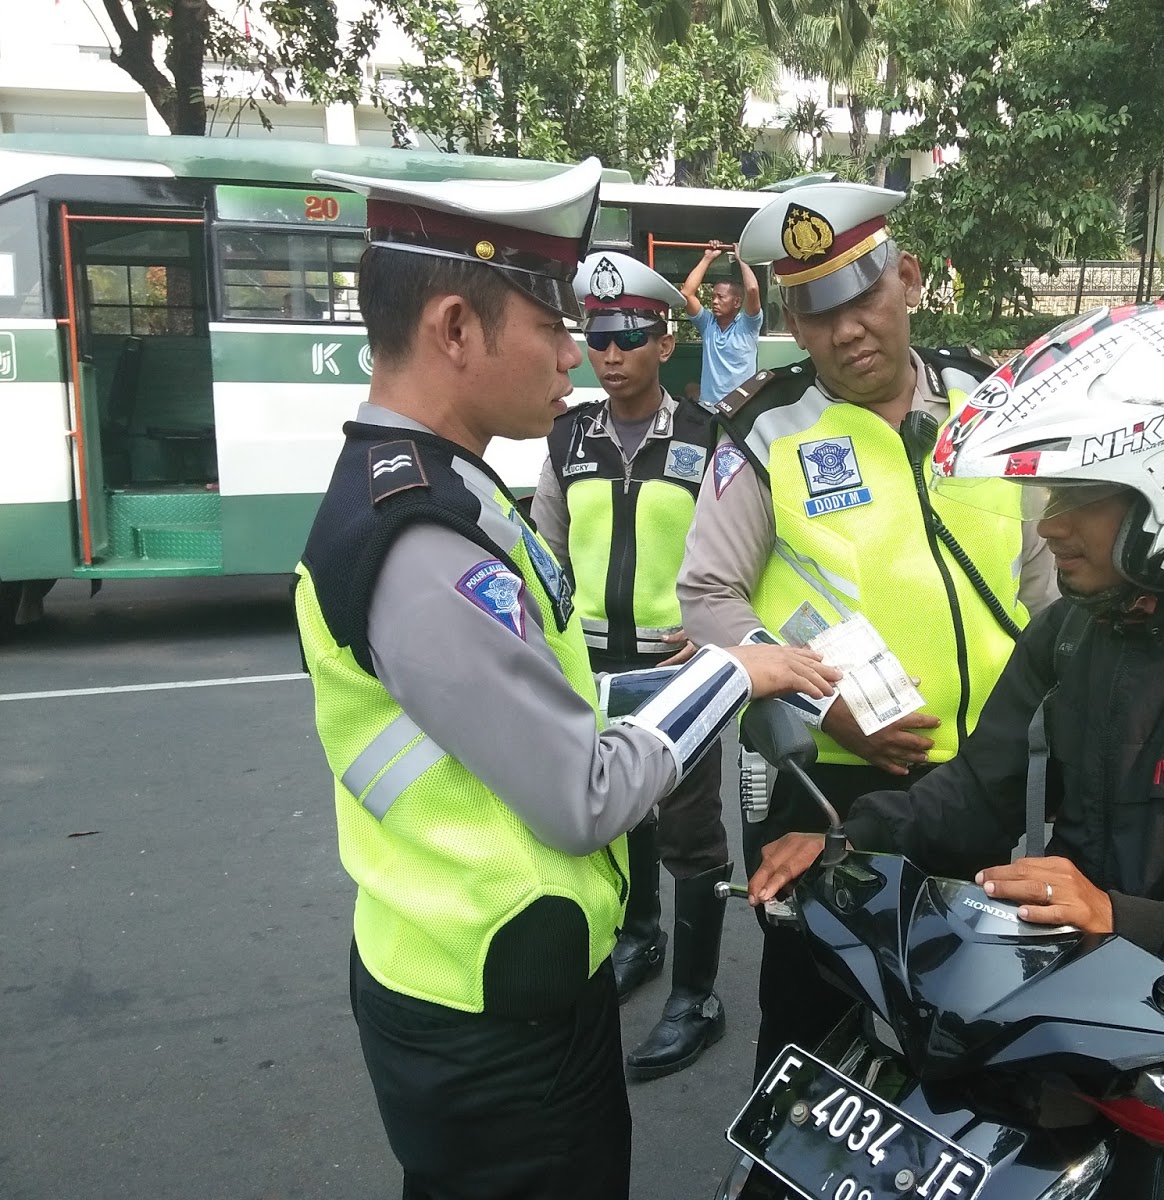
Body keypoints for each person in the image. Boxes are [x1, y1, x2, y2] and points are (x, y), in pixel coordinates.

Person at [748, 303, 1164, 1200]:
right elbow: (975, 793)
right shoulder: (1070, 639)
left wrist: (1126, 919)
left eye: (1079, 498)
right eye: (1049, 497)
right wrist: (845, 841)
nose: (1048, 527)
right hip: (1067, 1038)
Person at [293, 159, 837, 1200]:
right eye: (551, 329)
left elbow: (560, 709)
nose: (574, 355)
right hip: (491, 1017)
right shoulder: (419, 536)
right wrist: (727, 673)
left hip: (497, 977)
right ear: (455, 329)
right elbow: (584, 790)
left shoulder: (449, 484)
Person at [677, 180, 1059, 1080]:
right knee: (817, 1021)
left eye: (862, 296)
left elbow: (1041, 576)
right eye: (817, 312)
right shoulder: (763, 429)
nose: (847, 330)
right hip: (828, 785)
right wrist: (824, 705)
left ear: (909, 281)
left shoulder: (987, 400)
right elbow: (706, 600)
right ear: (794, 326)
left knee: (969, 1011)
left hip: (984, 777)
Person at [528, 249, 731, 1082]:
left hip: (679, 671)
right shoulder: (568, 434)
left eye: (628, 337)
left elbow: (739, 556)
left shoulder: (709, 436)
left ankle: (697, 996)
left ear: (664, 339)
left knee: (690, 832)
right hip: (593, 667)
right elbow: (543, 547)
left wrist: (718, 636)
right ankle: (639, 938)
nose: (610, 355)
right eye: (598, 338)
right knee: (622, 815)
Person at [679, 240, 763, 408]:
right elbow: (687, 293)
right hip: (709, 408)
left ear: (737, 302)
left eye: (721, 297)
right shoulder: (707, 324)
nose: (715, 301)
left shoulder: (748, 326)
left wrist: (742, 260)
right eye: (713, 297)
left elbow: (752, 289)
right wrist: (707, 258)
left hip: (740, 409)